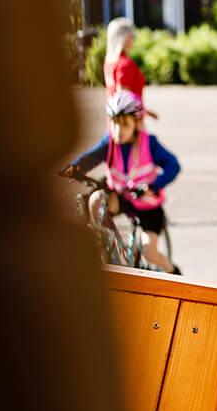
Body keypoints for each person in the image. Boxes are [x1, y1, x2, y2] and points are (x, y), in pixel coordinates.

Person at [65, 90, 181, 274]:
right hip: (123, 198)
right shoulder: (109, 142)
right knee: (96, 199)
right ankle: (113, 248)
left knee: (149, 252)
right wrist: (73, 168)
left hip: (147, 206)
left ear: (136, 123)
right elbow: (90, 158)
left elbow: (173, 166)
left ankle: (175, 273)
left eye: (124, 124)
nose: (118, 130)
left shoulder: (149, 143)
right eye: (115, 123)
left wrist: (154, 185)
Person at [103, 18, 157, 116]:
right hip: (129, 123)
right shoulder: (124, 64)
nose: (133, 39)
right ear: (123, 38)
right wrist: (142, 111)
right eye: (132, 36)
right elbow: (123, 101)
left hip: (114, 121)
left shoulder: (109, 62)